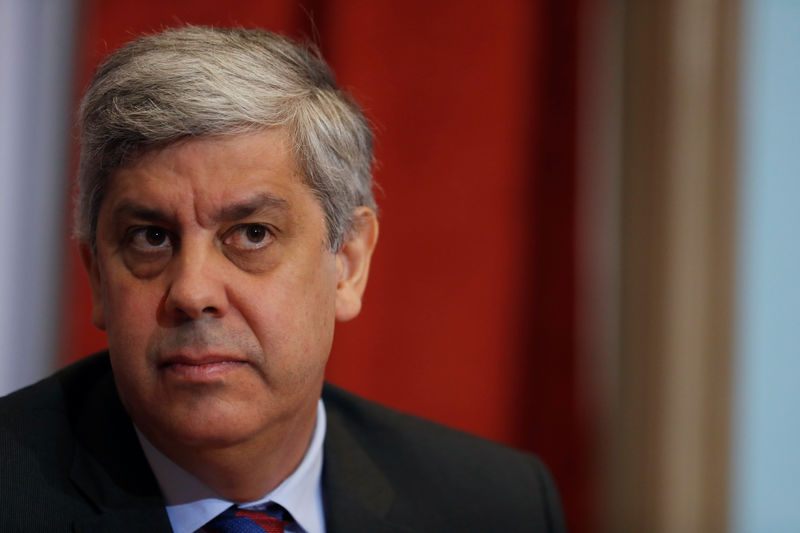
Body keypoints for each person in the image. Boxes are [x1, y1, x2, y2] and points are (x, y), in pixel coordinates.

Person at [0, 26, 565, 533]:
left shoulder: (493, 504)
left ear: (347, 262)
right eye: (151, 238)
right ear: (97, 278)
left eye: (251, 234)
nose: (193, 292)